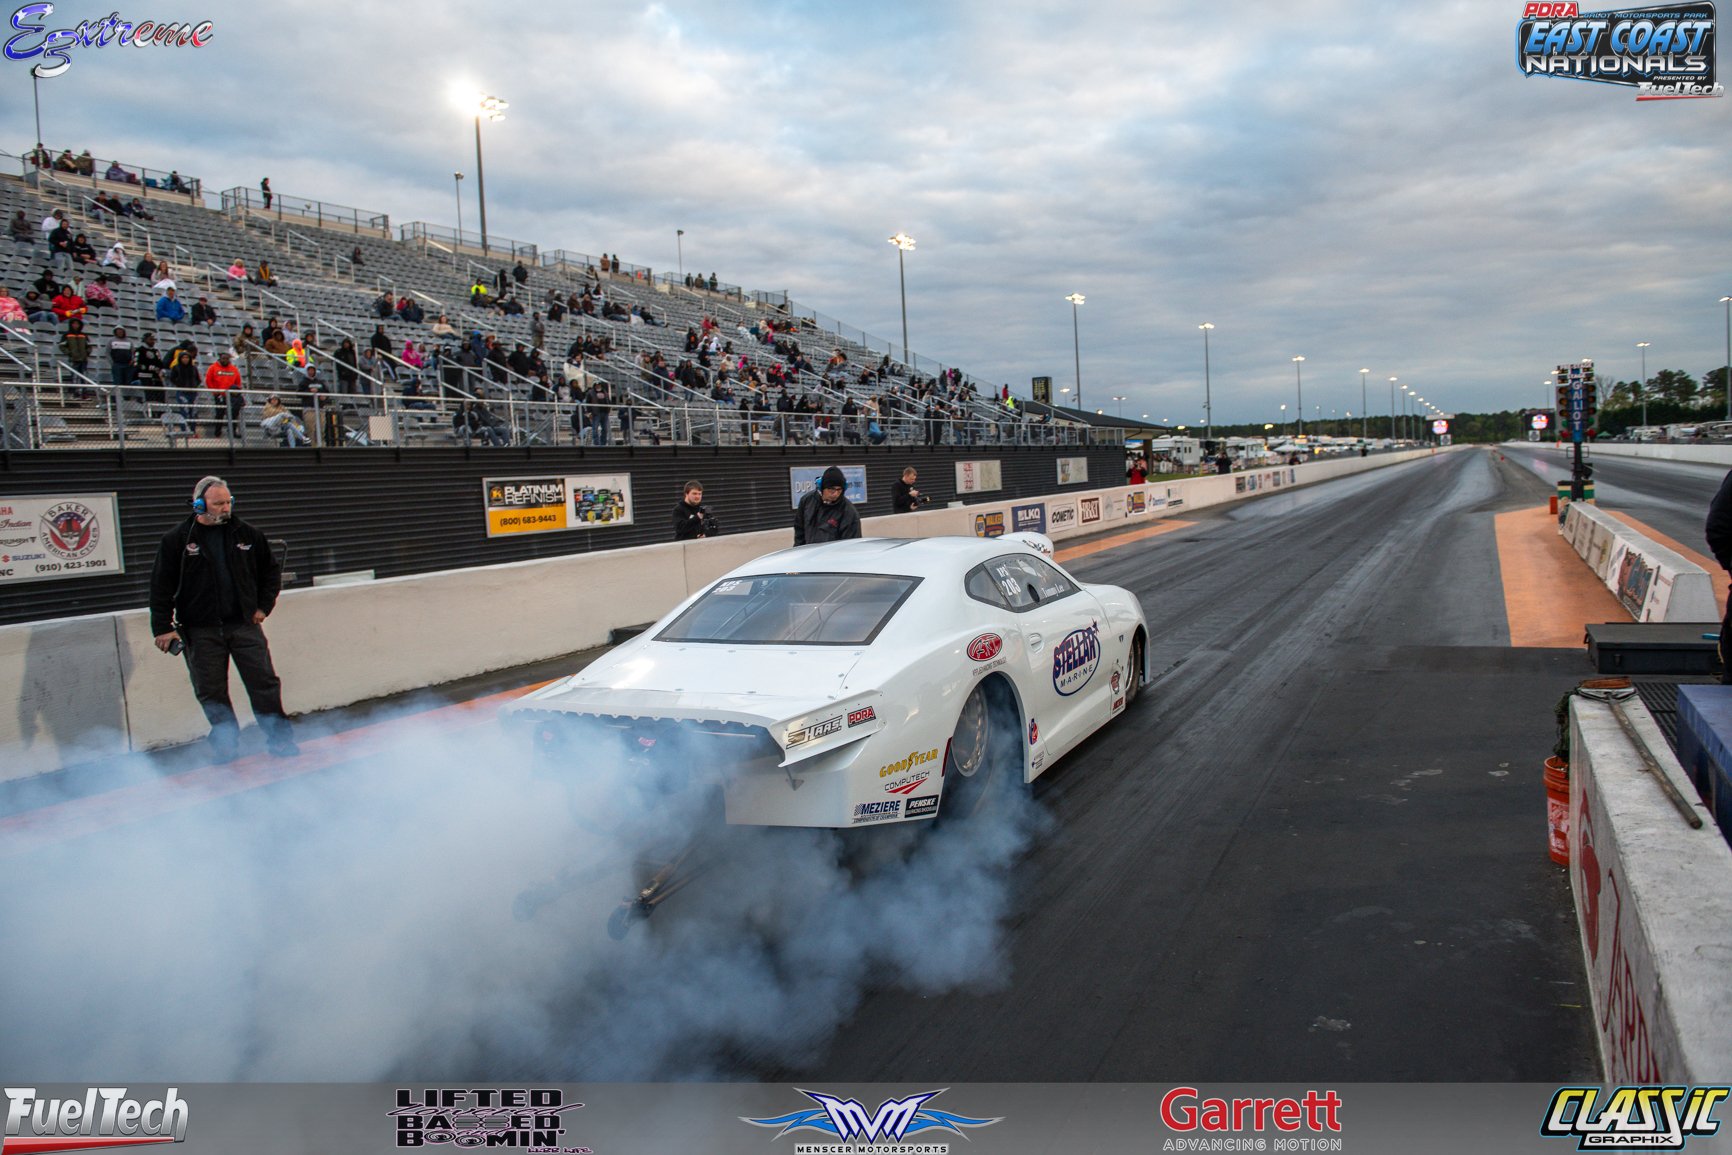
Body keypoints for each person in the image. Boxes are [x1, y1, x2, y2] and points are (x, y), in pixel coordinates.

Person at [149, 476, 298, 760]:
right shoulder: (177, 540)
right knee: (211, 692)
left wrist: (263, 607)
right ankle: (226, 745)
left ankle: (280, 740)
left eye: (228, 502)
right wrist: (162, 628)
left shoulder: (248, 535)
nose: (225, 508)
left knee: (264, 684)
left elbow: (271, 574)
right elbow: (160, 587)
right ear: (198, 505)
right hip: (199, 631)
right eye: (218, 503)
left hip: (244, 626)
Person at [794, 466, 862, 545]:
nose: (835, 494)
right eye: (832, 489)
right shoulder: (807, 501)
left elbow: (851, 545)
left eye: (839, 490)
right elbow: (799, 532)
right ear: (822, 487)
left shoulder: (849, 512)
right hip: (809, 551)